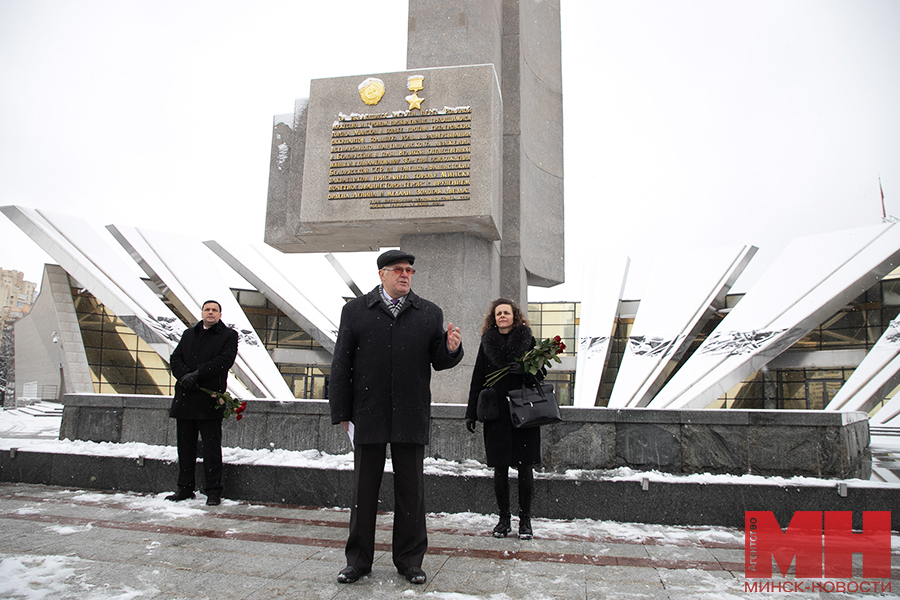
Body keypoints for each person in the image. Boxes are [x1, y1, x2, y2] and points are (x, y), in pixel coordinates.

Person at [329, 249, 463, 585]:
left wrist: (450, 348)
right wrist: (342, 412)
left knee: (411, 492)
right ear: (382, 274)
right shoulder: (356, 311)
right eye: (399, 270)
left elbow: (439, 360)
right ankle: (358, 561)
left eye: (410, 271)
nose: (405, 275)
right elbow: (341, 363)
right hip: (367, 412)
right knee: (363, 491)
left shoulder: (428, 313)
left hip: (410, 412)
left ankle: (409, 560)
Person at [465, 298, 541, 540]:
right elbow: (478, 377)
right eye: (498, 313)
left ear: (514, 315)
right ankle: (503, 519)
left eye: (506, 313)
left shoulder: (527, 340)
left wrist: (526, 372)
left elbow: (541, 373)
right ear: (493, 318)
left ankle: (525, 521)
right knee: (499, 470)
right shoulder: (487, 342)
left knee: (525, 468)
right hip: (496, 414)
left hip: (523, 412)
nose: (502, 317)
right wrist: (471, 412)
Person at [166, 300, 238, 506]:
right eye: (207, 309)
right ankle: (185, 488)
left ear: (220, 315)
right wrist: (185, 377)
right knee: (185, 446)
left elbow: (225, 360)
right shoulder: (189, 334)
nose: (210, 313)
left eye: (215, 310)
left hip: (209, 399)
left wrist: (197, 374)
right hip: (186, 398)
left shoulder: (228, 336)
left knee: (211, 448)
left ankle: (213, 491)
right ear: (202, 313)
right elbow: (175, 358)